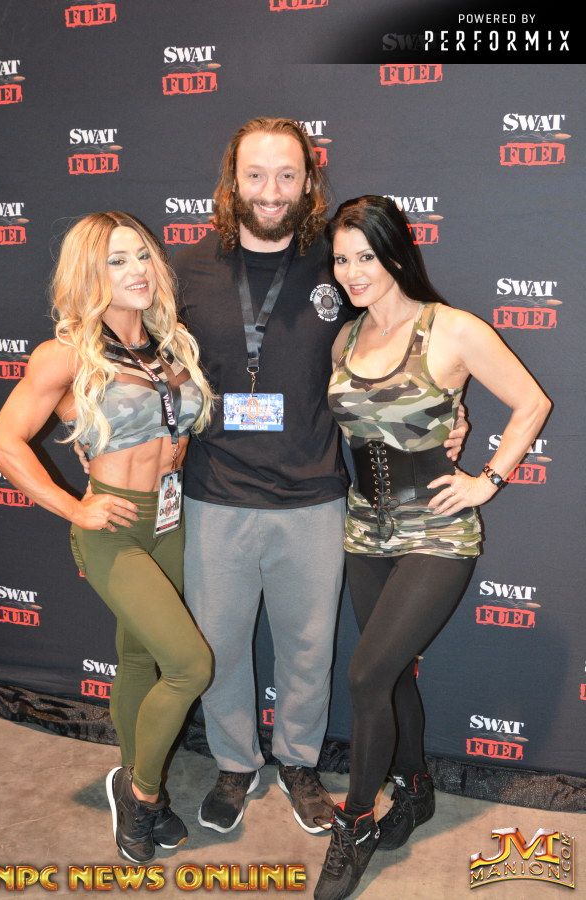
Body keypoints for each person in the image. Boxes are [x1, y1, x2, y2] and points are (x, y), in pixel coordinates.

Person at [171, 118, 468, 835]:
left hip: (314, 497)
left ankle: (299, 762)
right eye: (255, 175)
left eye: (287, 175)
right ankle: (235, 763)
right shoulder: (186, 270)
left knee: (308, 650)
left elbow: (408, 344)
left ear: (309, 182)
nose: (270, 191)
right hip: (216, 495)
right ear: (231, 180)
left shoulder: (338, 265)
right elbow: (139, 363)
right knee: (219, 647)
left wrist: (446, 417)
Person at [314, 195, 551, 900]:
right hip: (365, 525)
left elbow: (532, 402)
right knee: (389, 676)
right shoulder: (345, 338)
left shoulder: (451, 328)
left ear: (396, 252)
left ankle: (356, 821)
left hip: (438, 529)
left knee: (364, 675)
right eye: (341, 259)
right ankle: (415, 789)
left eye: (366, 255)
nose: (353, 272)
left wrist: (487, 480)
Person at [0, 211, 214, 865]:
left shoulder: (173, 346)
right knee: (190, 666)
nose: (137, 270)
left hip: (172, 520)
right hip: (113, 528)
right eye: (117, 260)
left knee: (140, 660)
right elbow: (2, 443)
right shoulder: (65, 355)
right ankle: (142, 794)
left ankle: (133, 777)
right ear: (90, 273)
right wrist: (73, 508)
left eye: (142, 255)